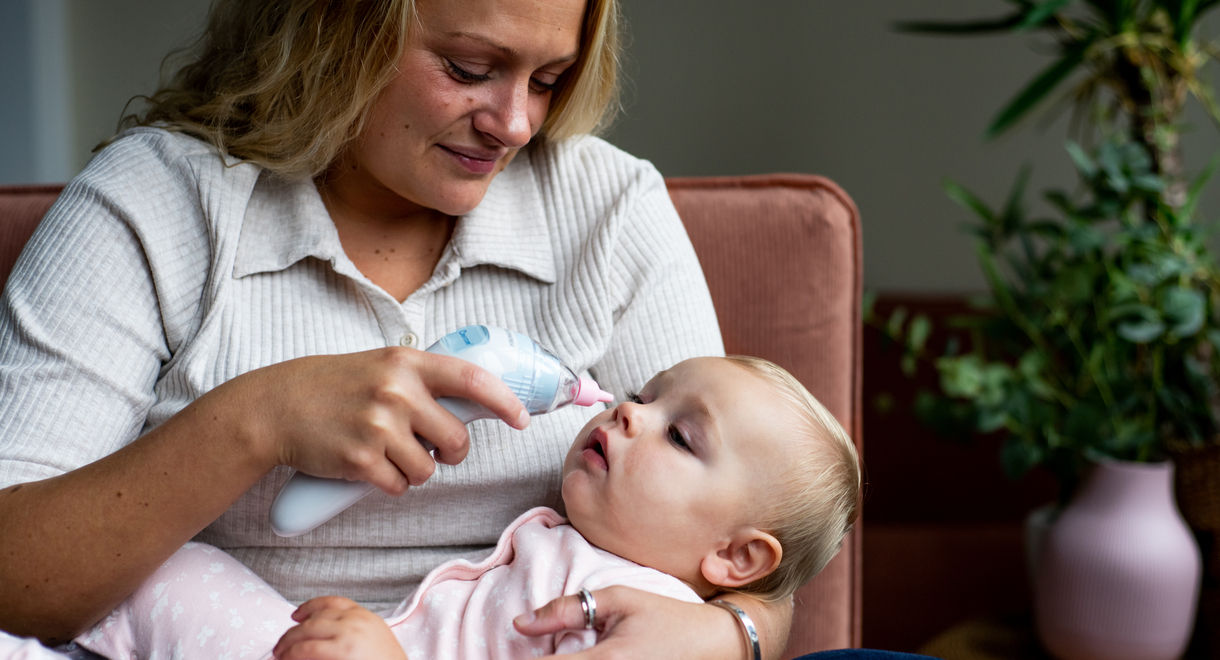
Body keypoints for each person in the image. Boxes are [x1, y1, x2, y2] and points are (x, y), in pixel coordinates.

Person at [0, 0, 797, 657]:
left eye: (549, 79)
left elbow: (750, 560)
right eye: (468, 70)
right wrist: (256, 420)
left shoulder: (608, 210)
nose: (516, 124)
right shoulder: (156, 205)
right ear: (336, 29)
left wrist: (728, 637)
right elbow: (13, 576)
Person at [66, 355, 861, 660]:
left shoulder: (646, 627)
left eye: (679, 436)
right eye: (643, 394)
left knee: (168, 578)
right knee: (167, 567)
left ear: (737, 560)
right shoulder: (581, 547)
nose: (625, 412)